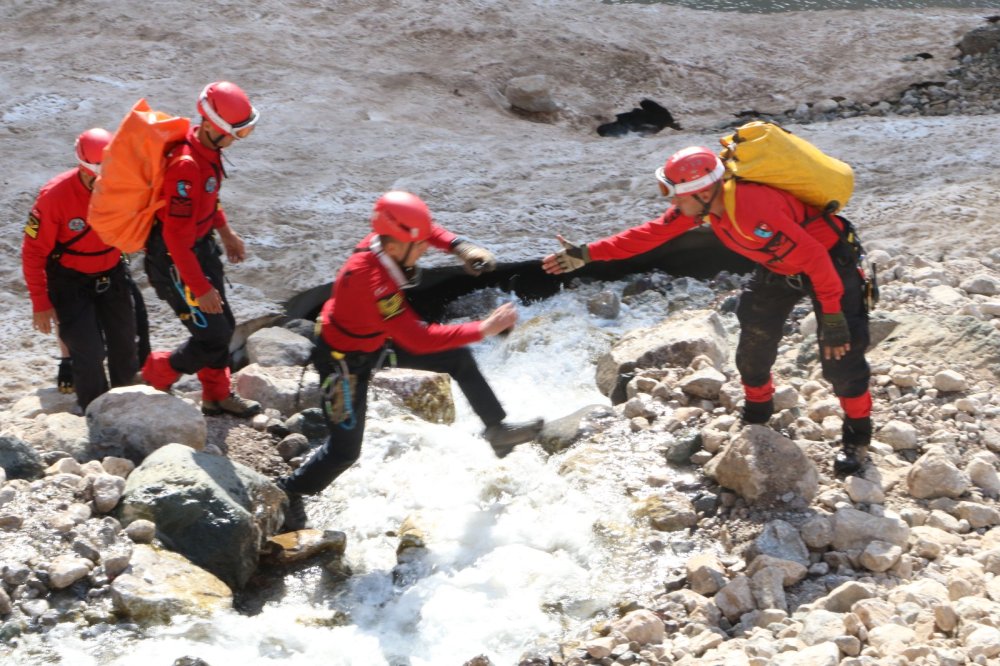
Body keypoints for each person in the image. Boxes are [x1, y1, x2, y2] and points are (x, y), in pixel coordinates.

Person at [542, 146, 873, 476]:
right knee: (753, 343)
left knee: (842, 359)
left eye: (675, 195)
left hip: (830, 264)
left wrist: (832, 317)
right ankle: (757, 413)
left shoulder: (752, 207)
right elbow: (650, 234)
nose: (672, 204)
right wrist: (587, 253)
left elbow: (815, 257)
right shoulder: (703, 206)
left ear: (701, 192)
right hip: (779, 267)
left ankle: (857, 439)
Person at [276, 191, 543, 530]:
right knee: (345, 452)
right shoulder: (372, 281)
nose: (425, 250)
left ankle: (497, 429)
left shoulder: (385, 242)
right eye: (418, 247)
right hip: (343, 362)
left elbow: (425, 231)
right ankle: (289, 491)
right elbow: (417, 337)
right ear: (394, 247)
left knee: (457, 359)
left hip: (373, 341)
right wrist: (484, 328)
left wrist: (460, 246)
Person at [140, 81, 262, 417]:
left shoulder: (208, 152)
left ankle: (216, 395)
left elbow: (207, 201)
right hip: (175, 262)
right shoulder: (185, 167)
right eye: (237, 133)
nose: (238, 140)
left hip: (200, 250)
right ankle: (157, 373)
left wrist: (226, 233)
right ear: (212, 125)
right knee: (214, 334)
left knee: (223, 326)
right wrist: (201, 287)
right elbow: (176, 239)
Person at [22, 128, 139, 410]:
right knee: (89, 352)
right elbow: (33, 252)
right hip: (70, 282)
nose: (102, 184)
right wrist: (41, 302)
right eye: (95, 178)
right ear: (82, 167)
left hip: (112, 273)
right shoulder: (54, 197)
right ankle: (94, 410)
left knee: (125, 344)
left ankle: (127, 406)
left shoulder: (122, 185)